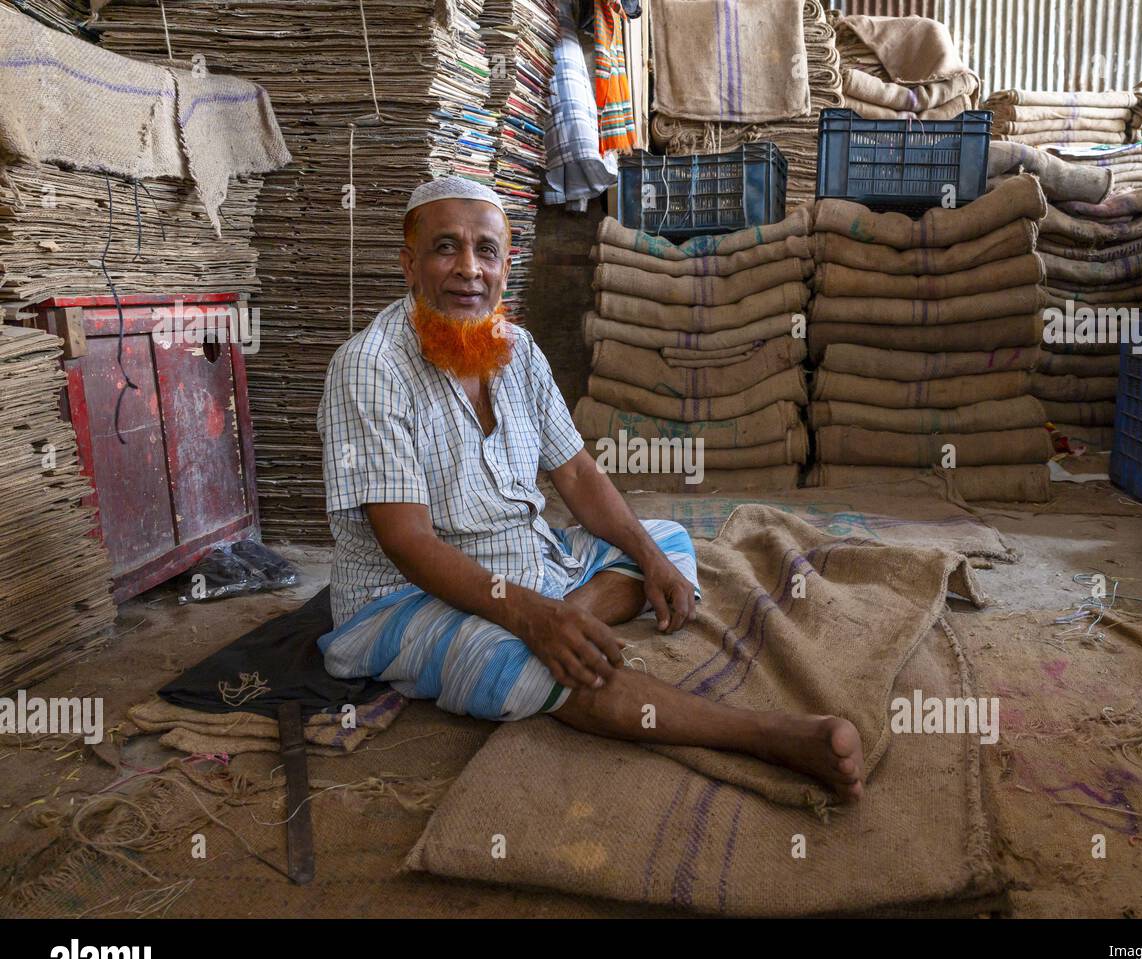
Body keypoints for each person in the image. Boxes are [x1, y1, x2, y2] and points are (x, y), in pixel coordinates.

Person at [316, 176, 863, 799]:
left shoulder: (516, 349)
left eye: (486, 251)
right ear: (410, 266)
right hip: (403, 596)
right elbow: (406, 541)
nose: (469, 269)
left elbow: (575, 472)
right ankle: (770, 736)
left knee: (667, 543)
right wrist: (525, 615)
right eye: (447, 248)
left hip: (528, 562)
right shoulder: (370, 366)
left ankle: (567, 626)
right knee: (520, 666)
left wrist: (644, 563)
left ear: (506, 265)